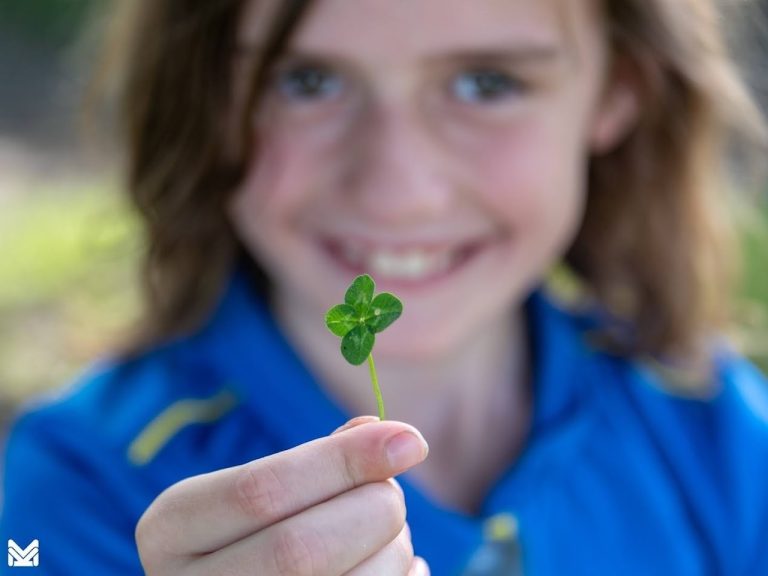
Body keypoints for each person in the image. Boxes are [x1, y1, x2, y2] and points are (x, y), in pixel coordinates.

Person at [2, 0, 767, 573]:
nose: (398, 189)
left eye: (486, 82)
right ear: (204, 99)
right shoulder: (72, 487)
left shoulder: (717, 437)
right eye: (305, 80)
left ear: (616, 93)